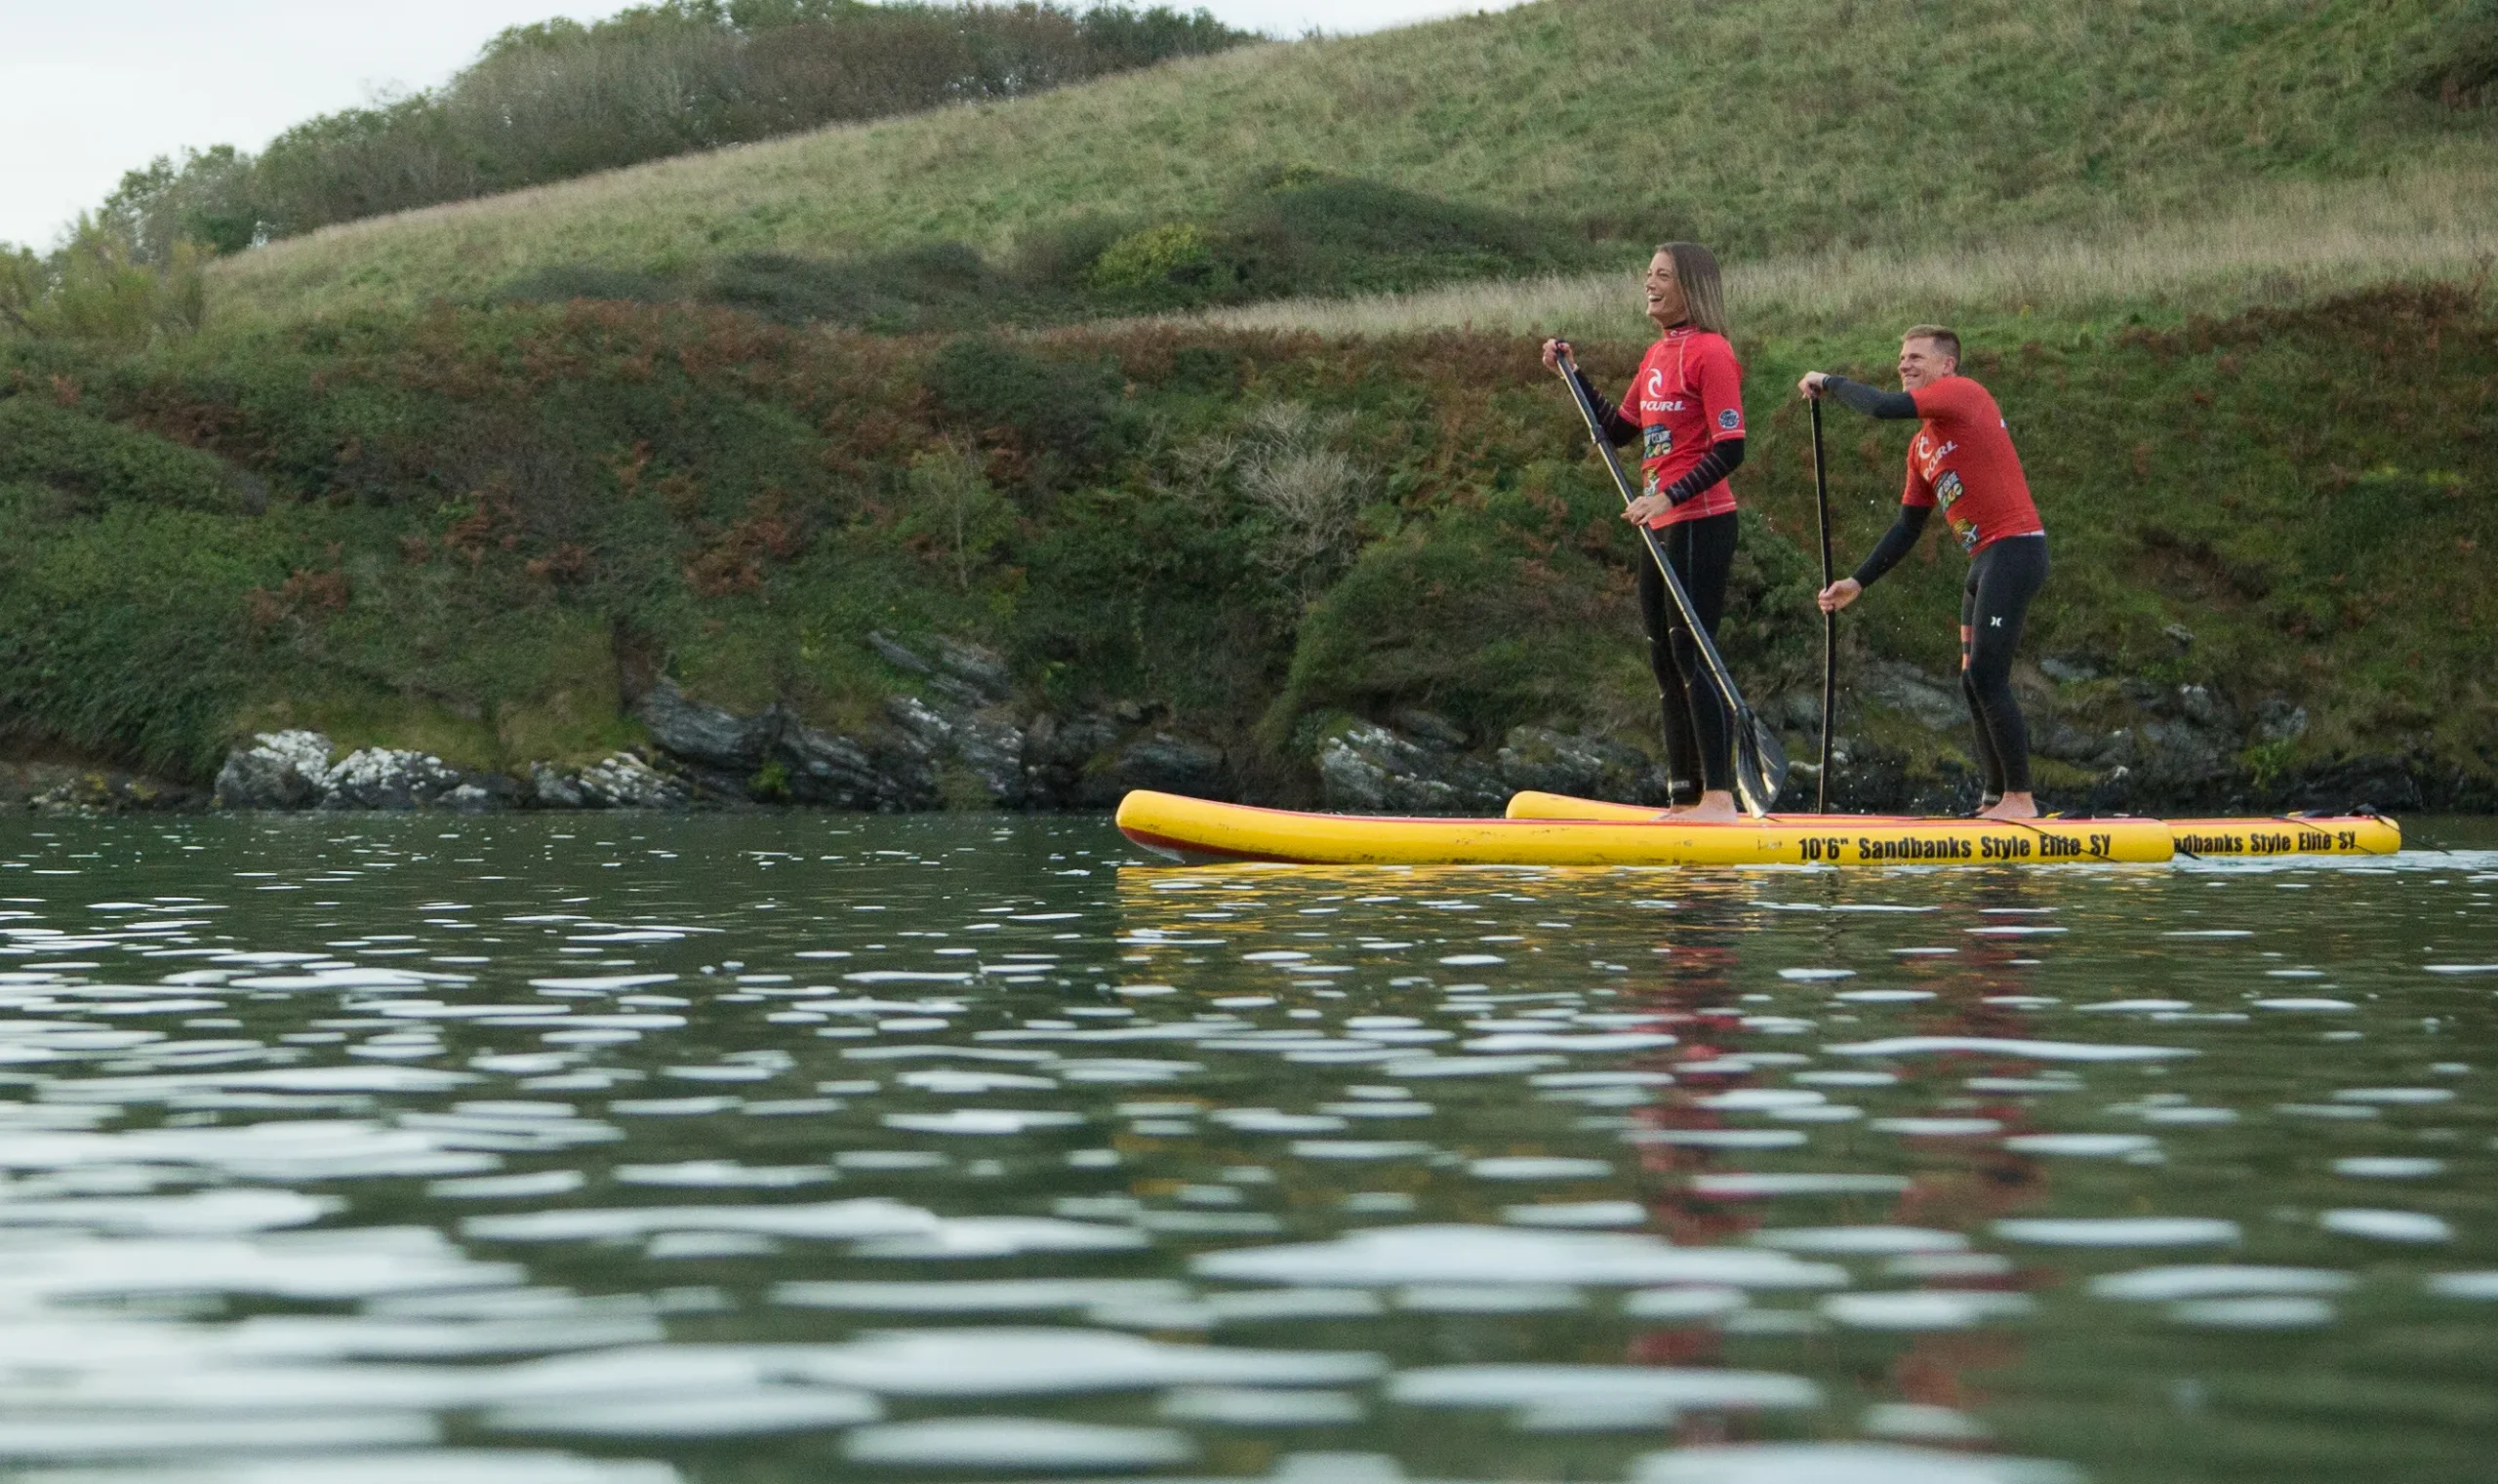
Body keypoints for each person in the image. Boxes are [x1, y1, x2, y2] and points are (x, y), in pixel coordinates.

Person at [1799, 326, 2048, 821]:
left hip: (2016, 550)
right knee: (1971, 681)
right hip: (1984, 561)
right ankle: (1994, 798)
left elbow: (1881, 407)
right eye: (1901, 357)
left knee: (1987, 674)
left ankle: (2021, 800)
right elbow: (1907, 527)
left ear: (1947, 366)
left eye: (1916, 357)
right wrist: (1857, 581)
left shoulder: (1964, 394)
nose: (1903, 364)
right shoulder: (1921, 449)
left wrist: (1828, 382)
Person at [1542, 243, 1747, 821]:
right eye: (1648, 274)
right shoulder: (1657, 353)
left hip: (1701, 520)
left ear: (1690, 287)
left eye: (1662, 276)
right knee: (1663, 656)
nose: (1649, 284)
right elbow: (1620, 428)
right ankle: (1683, 796)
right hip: (1658, 524)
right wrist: (1573, 374)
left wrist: (1667, 494)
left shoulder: (1712, 352)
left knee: (1691, 652)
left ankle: (1720, 797)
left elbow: (1732, 447)